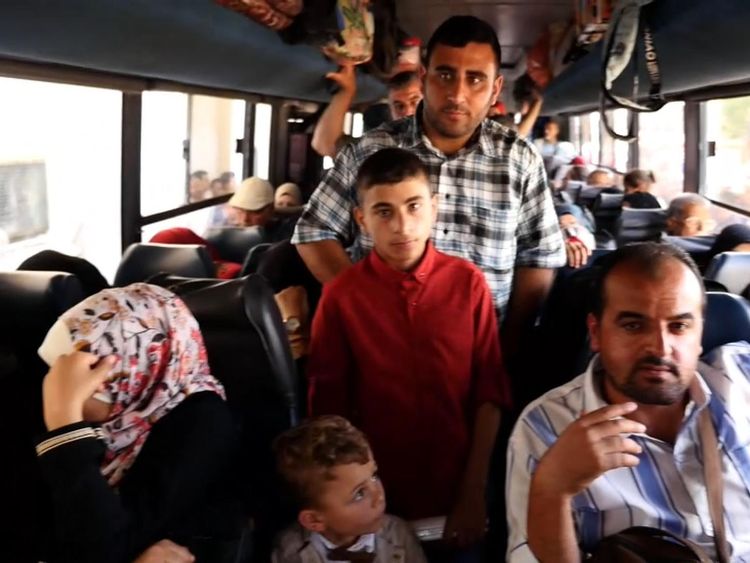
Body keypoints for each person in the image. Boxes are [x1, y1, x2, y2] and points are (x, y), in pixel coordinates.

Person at [294, 15, 565, 357]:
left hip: (480, 354)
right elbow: (313, 232)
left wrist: (507, 349)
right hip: (380, 350)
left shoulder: (519, 159)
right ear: (424, 77)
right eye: (446, 75)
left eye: (476, 79)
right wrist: (364, 305)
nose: (457, 94)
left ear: (496, 88)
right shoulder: (371, 150)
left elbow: (538, 257)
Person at [307, 148, 511, 559]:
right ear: (361, 220)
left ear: (434, 208)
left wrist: (474, 492)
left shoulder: (468, 283)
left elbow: (489, 396)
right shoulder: (341, 296)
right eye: (383, 211)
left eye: (414, 207)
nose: (402, 226)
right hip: (377, 496)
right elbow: (330, 412)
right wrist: (354, 500)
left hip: (460, 484)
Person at [506, 242, 750, 561]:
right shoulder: (545, 430)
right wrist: (552, 491)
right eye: (634, 326)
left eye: (679, 326)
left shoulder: (741, 377)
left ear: (700, 332)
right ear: (596, 333)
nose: (660, 348)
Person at [34, 283, 242, 563]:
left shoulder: (201, 424)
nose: (56, 386)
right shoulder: (119, 415)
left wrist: (65, 425)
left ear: (136, 372)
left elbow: (101, 551)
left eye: (79, 378)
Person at [272, 415, 427, 563]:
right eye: (359, 494)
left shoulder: (398, 534)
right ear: (314, 520)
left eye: (374, 476)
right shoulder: (290, 552)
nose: (378, 496)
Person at [311, 66, 424, 158]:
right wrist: (346, 92)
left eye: (415, 102)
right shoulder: (383, 149)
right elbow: (326, 145)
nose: (408, 113)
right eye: (399, 106)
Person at [228, 176, 296, 242]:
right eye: (240, 210)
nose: (245, 219)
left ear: (270, 209)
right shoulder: (228, 235)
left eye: (255, 212)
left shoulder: (286, 234)